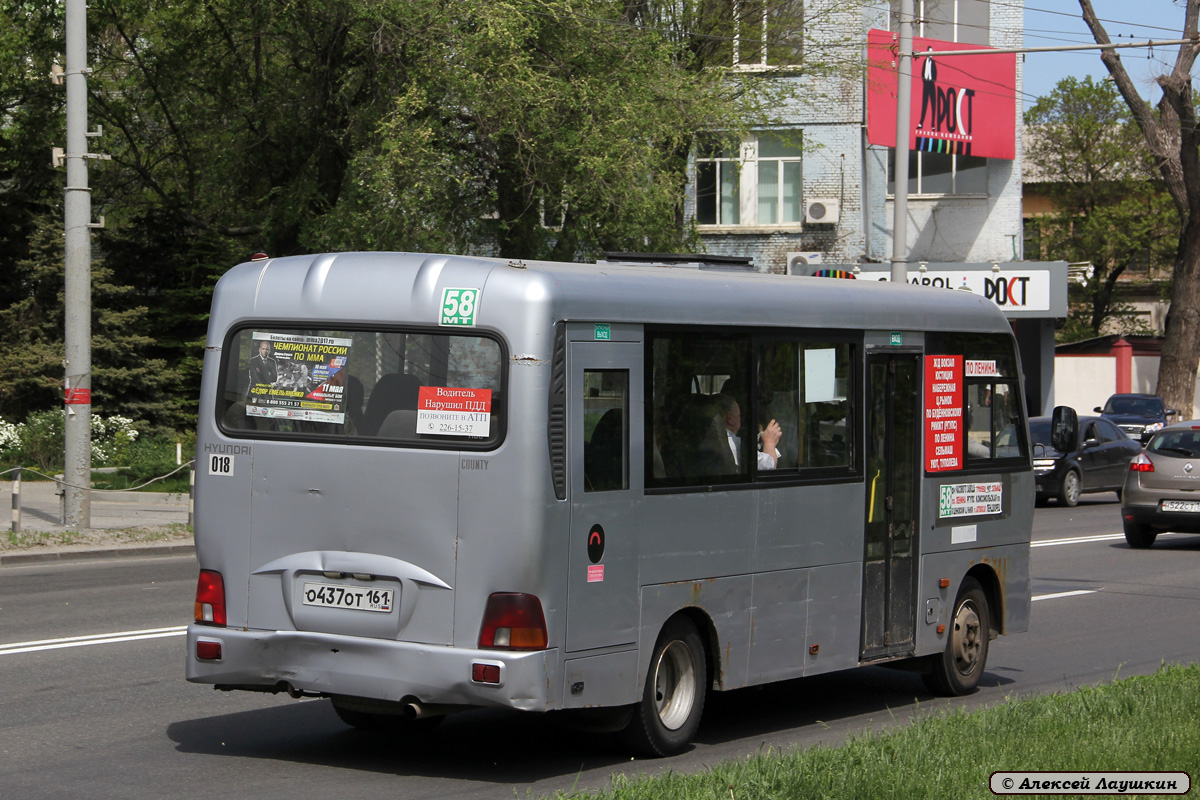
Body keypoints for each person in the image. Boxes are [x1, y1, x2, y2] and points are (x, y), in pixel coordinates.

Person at [718, 394, 782, 470]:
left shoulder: (704, 440)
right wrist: (769, 442)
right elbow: (769, 466)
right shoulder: (734, 444)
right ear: (730, 418)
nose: (741, 420)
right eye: (740, 415)